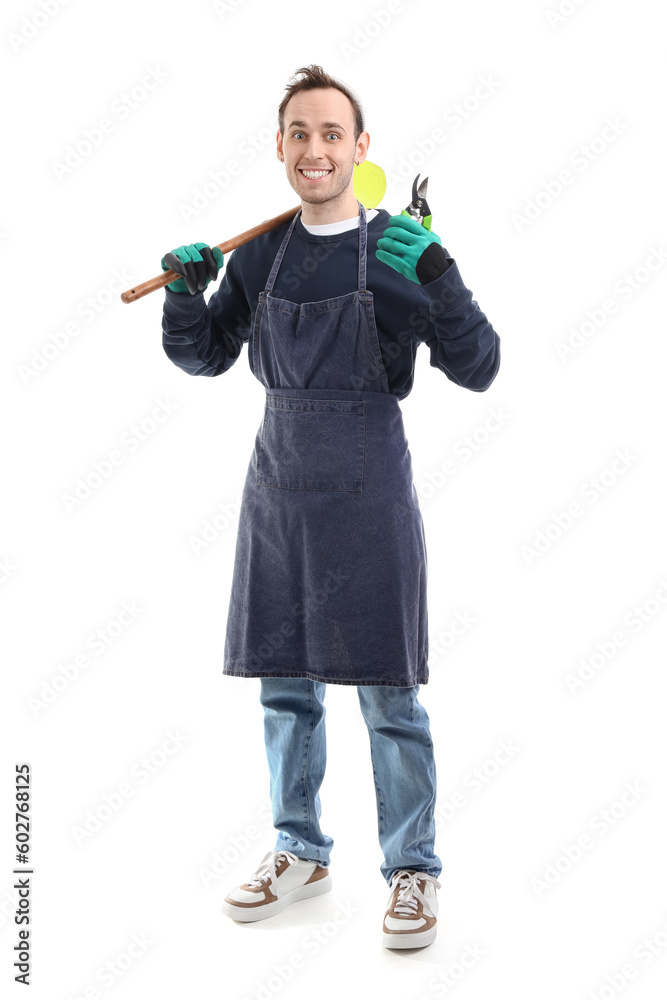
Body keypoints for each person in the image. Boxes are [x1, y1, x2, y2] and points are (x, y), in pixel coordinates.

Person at [161, 64, 500, 950]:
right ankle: (299, 852)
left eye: (330, 135)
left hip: (368, 492)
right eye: (299, 135)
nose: (315, 150)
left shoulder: (396, 251)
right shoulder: (262, 252)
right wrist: (184, 295)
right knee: (285, 686)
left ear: (360, 149)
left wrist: (442, 277)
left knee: (389, 696)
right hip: (277, 491)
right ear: (280, 148)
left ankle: (412, 869)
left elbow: (479, 368)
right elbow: (206, 358)